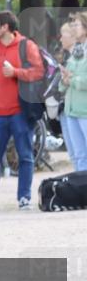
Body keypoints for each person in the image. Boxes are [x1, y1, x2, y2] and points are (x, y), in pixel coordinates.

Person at [0, 11, 45, 210]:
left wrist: (15, 72)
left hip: (20, 112)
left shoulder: (26, 46)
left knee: (25, 155)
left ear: (5, 27)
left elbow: (39, 72)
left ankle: (24, 198)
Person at [59, 13, 87, 171]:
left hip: (84, 111)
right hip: (71, 110)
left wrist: (72, 80)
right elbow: (65, 82)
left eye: (77, 25)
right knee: (79, 156)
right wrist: (64, 79)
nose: (74, 28)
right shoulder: (77, 51)